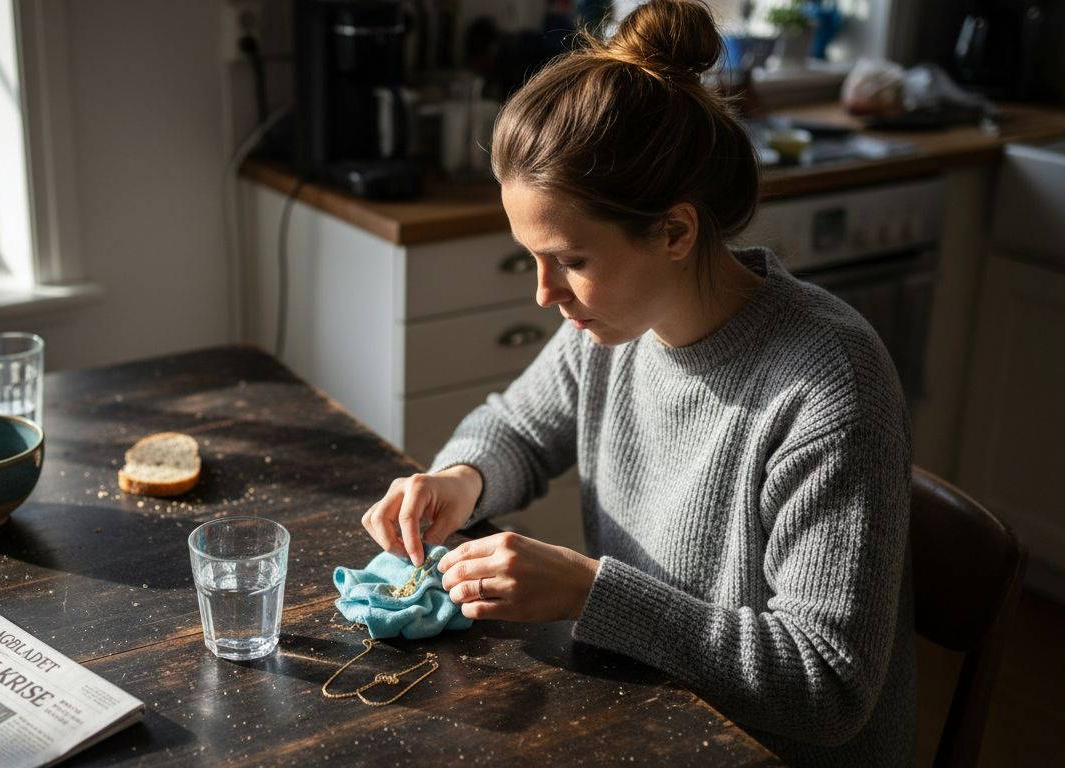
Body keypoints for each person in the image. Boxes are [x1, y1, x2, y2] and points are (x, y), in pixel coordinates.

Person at [359, 1, 914, 765]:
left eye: (571, 260)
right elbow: (518, 426)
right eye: (534, 258)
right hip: (648, 717)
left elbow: (825, 686)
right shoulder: (616, 325)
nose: (545, 293)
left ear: (676, 232)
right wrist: (462, 479)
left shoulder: (827, 386)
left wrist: (593, 591)